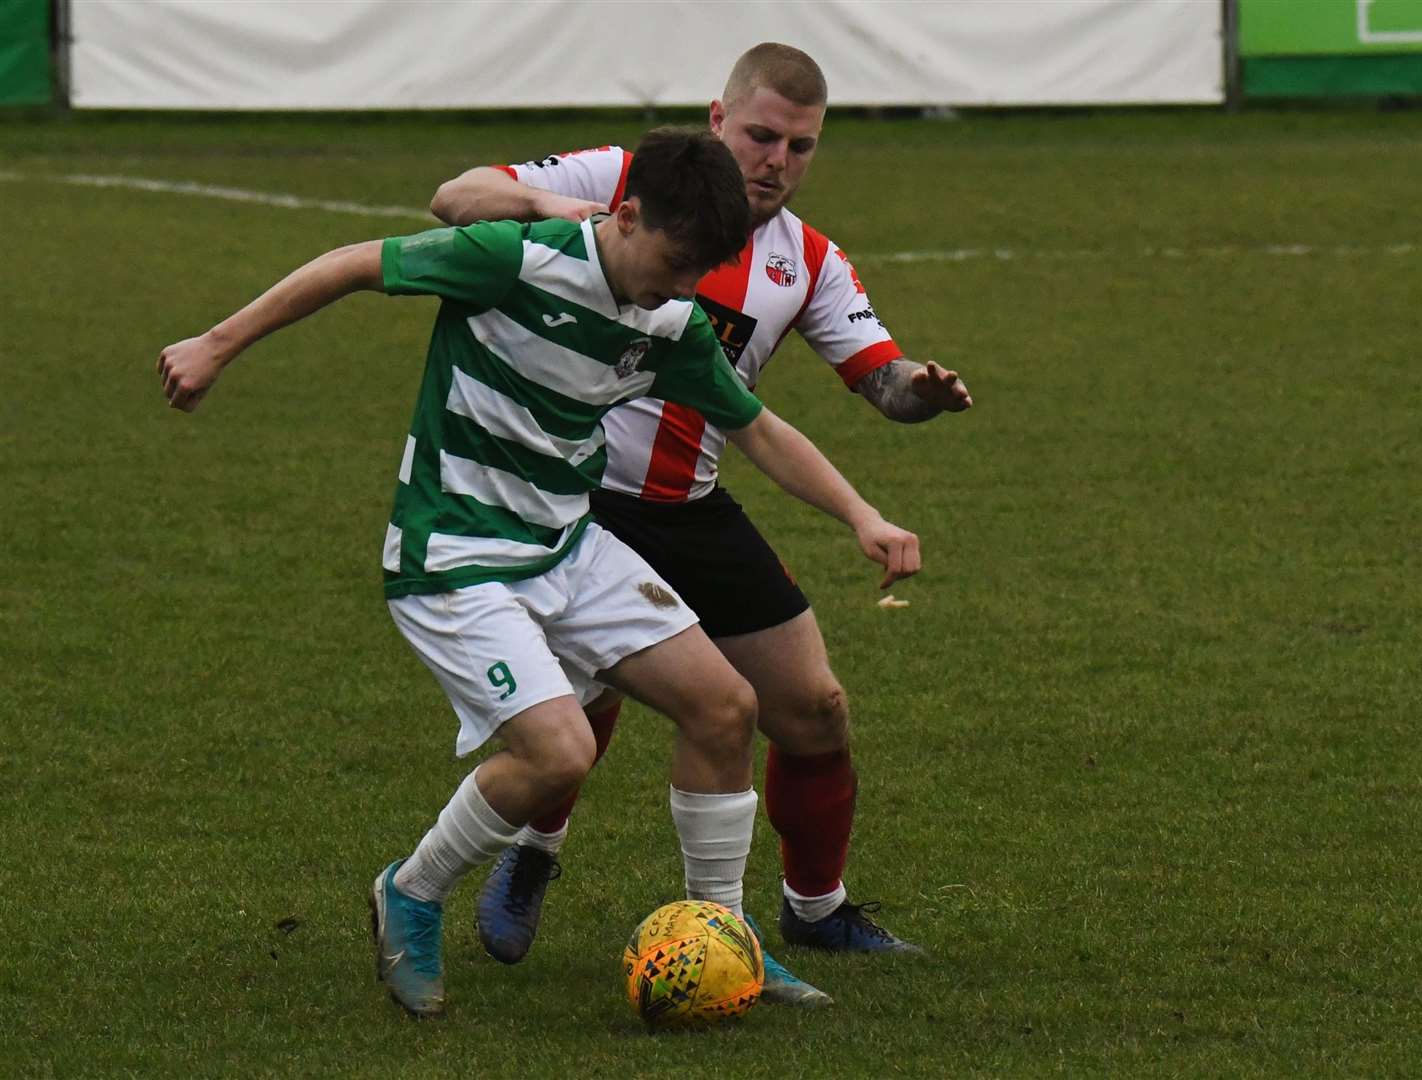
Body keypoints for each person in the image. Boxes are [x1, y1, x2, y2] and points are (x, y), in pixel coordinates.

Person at [156, 128, 921, 1018]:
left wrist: (861, 514)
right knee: (557, 752)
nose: (681, 289)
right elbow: (353, 262)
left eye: (699, 273)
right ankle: (411, 887)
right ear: (624, 216)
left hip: (567, 544)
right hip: (454, 552)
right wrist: (215, 343)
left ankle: (725, 936)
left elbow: (759, 429)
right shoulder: (513, 259)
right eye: (674, 263)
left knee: (726, 708)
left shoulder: (670, 315)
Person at [430, 43, 972, 984]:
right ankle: (530, 857)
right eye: (761, 135)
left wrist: (920, 389)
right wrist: (563, 210)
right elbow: (456, 196)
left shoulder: (807, 257)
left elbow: (877, 382)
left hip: (690, 506)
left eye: (800, 147)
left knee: (811, 710)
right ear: (717, 122)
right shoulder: (626, 178)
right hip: (574, 501)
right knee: (578, 710)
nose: (777, 161)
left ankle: (814, 911)